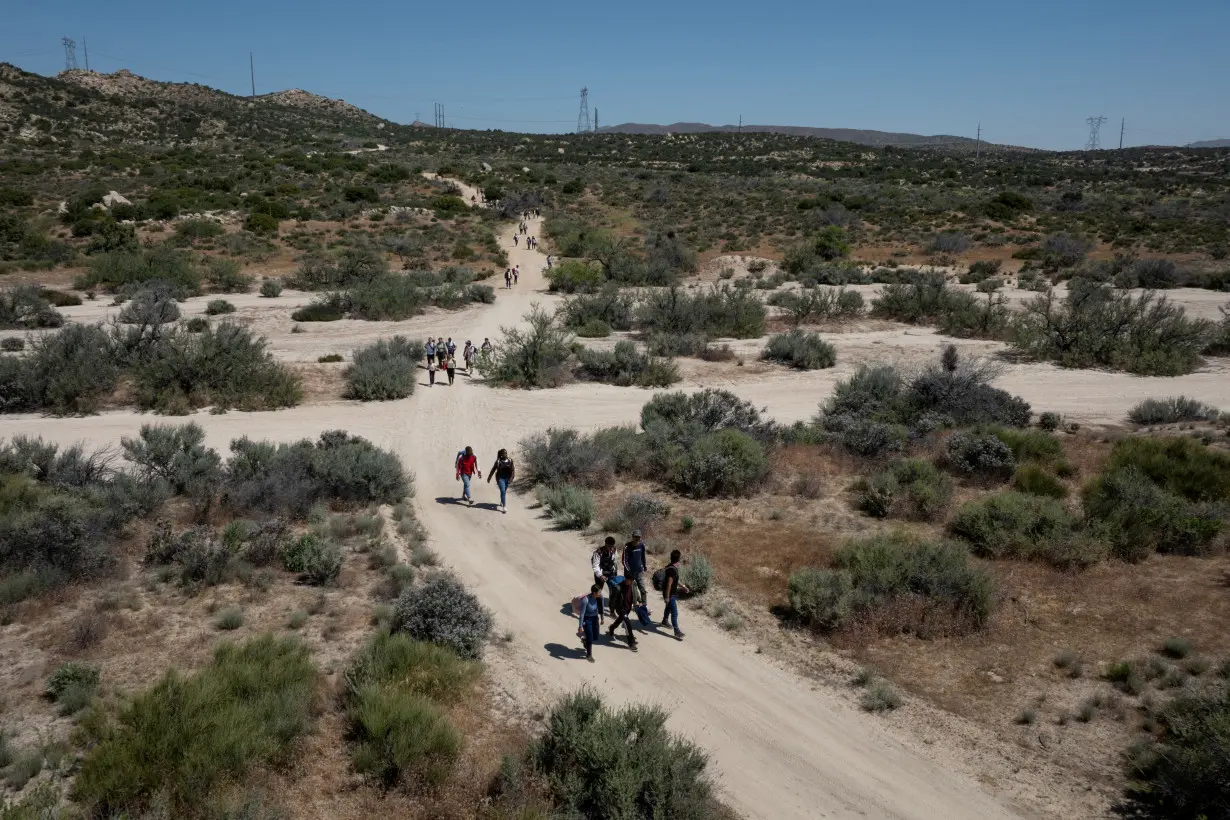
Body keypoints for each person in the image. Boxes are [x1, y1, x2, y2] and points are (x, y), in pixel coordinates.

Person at [660, 549, 689, 640]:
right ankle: (677, 631)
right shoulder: (672, 570)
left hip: (670, 593)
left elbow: (675, 580)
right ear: (678, 559)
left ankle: (664, 621)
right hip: (669, 594)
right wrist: (667, 597)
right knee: (674, 613)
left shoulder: (671, 567)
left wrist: (683, 586)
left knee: (668, 608)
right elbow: (669, 583)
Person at [606, 577, 639, 651]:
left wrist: (638, 602)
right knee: (627, 623)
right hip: (621, 608)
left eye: (631, 580)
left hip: (628, 608)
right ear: (625, 579)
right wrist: (612, 611)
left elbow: (636, 593)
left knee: (621, 619)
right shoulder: (618, 587)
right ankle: (631, 643)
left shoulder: (633, 585)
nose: (629, 582)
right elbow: (612, 600)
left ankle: (612, 627)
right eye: (628, 580)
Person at [591, 536, 620, 616]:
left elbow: (615, 560)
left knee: (615, 590)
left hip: (611, 573)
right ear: (605, 544)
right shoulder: (598, 552)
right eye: (609, 546)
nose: (610, 548)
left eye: (611, 546)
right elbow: (595, 565)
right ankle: (594, 608)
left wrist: (615, 571)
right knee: (598, 592)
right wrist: (600, 575)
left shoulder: (614, 550)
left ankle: (612, 610)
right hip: (600, 574)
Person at [578, 583, 603, 663]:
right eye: (599, 592)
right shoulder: (585, 600)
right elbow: (582, 614)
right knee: (590, 637)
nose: (600, 593)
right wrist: (580, 626)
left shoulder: (600, 597)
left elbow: (601, 608)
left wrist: (602, 618)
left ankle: (585, 640)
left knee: (595, 637)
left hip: (595, 619)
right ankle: (589, 655)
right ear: (594, 593)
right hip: (587, 619)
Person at [623, 530, 649, 605]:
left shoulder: (642, 545)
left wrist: (644, 566)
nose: (637, 538)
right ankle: (633, 604)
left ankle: (644, 605)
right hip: (630, 573)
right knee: (632, 589)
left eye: (639, 537)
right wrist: (628, 571)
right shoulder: (627, 546)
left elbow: (643, 557)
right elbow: (624, 560)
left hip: (639, 571)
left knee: (642, 589)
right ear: (632, 537)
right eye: (636, 537)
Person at [487, 448, 515, 512]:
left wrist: (511, 479)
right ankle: (504, 506)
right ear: (501, 455)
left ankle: (502, 501)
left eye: (506, 453)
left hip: (507, 478)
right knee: (502, 490)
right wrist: (489, 478)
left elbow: (513, 471)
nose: (506, 454)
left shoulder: (510, 461)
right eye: (504, 453)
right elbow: (493, 469)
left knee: (504, 491)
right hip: (500, 478)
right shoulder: (498, 462)